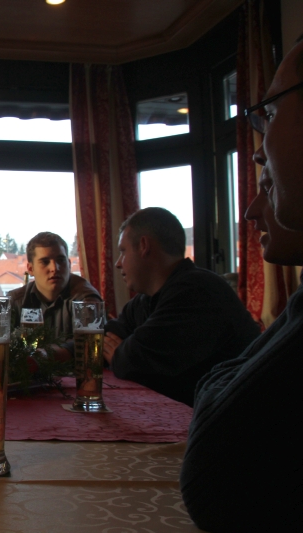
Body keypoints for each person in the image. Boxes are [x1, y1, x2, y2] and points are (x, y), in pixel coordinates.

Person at [180, 40, 303, 531]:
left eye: (269, 114)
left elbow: (216, 471)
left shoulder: (192, 289)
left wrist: (218, 385)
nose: (256, 149)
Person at [101, 207, 260, 407]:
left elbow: (134, 360)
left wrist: (119, 355)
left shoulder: (196, 291)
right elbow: (107, 336)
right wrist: (67, 352)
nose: (118, 263)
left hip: (237, 415)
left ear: (143, 246)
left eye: (123, 251)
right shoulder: (146, 299)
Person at [7, 232, 101, 357]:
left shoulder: (85, 298)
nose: (55, 268)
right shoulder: (15, 300)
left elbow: (89, 344)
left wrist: (48, 354)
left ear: (69, 264)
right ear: (30, 269)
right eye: (45, 262)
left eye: (61, 260)